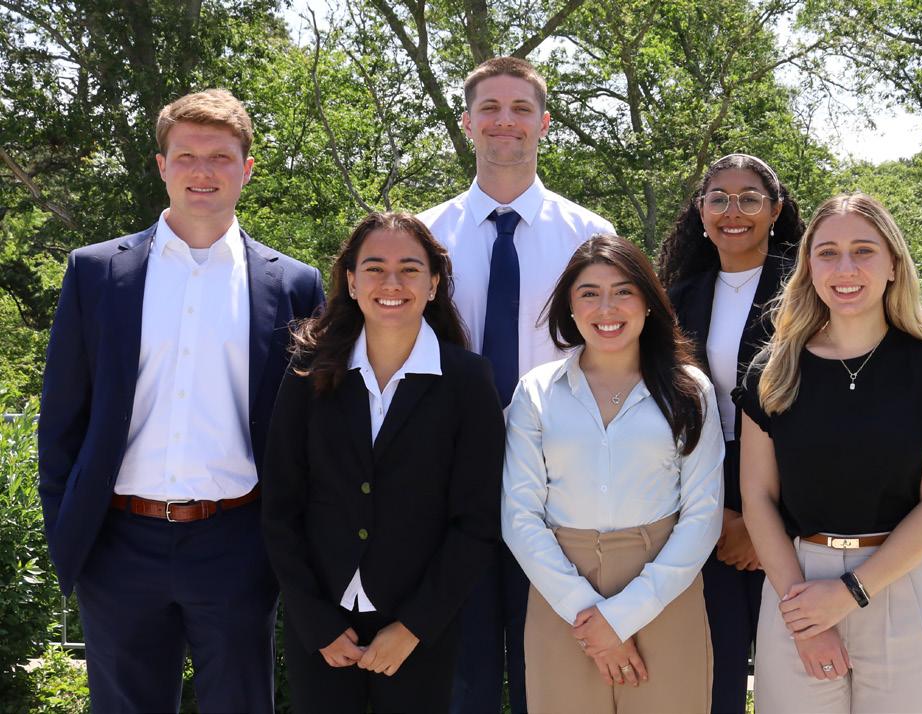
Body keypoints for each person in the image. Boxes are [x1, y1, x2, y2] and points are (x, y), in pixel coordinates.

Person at [36, 89, 325, 712]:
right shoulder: (96, 273)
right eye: (186, 155)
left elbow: (313, 431)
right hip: (116, 543)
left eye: (220, 157)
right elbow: (61, 420)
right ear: (162, 165)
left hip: (238, 543)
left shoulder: (293, 283)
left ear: (247, 169)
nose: (203, 171)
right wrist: (70, 529)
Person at [418, 56, 614, 713]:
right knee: (460, 682)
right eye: (491, 109)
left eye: (521, 109)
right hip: (451, 487)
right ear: (467, 122)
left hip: (562, 490)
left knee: (553, 681)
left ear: (545, 123)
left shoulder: (591, 238)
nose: (506, 121)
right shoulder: (424, 237)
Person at [261, 212, 506, 714]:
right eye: (374, 268)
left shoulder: (468, 381)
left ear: (433, 284)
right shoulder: (308, 373)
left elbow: (477, 522)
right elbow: (281, 508)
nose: (391, 283)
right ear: (351, 282)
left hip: (419, 632)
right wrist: (315, 621)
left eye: (409, 269)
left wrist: (414, 626)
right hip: (323, 629)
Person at [736, 194, 922, 713]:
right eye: (828, 253)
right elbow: (757, 500)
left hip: (898, 581)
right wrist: (806, 617)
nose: (845, 268)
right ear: (808, 267)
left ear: (893, 265)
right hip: (796, 585)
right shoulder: (772, 373)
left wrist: (849, 593)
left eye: (864, 250)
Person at [502, 234, 725, 712]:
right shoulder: (536, 393)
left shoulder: (690, 391)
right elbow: (519, 516)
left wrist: (624, 615)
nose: (607, 308)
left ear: (648, 302)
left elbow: (703, 515)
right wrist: (589, 616)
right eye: (590, 293)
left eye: (624, 291)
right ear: (570, 306)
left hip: (665, 589)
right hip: (561, 592)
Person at [656, 153, 805, 713]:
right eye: (718, 198)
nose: (732, 211)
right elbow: (660, 407)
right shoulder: (675, 298)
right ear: (700, 211)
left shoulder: (809, 291)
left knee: (794, 673)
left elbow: (824, 414)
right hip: (703, 493)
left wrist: (768, 524)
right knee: (713, 674)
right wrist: (714, 514)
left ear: (776, 210)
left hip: (793, 494)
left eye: (749, 198)